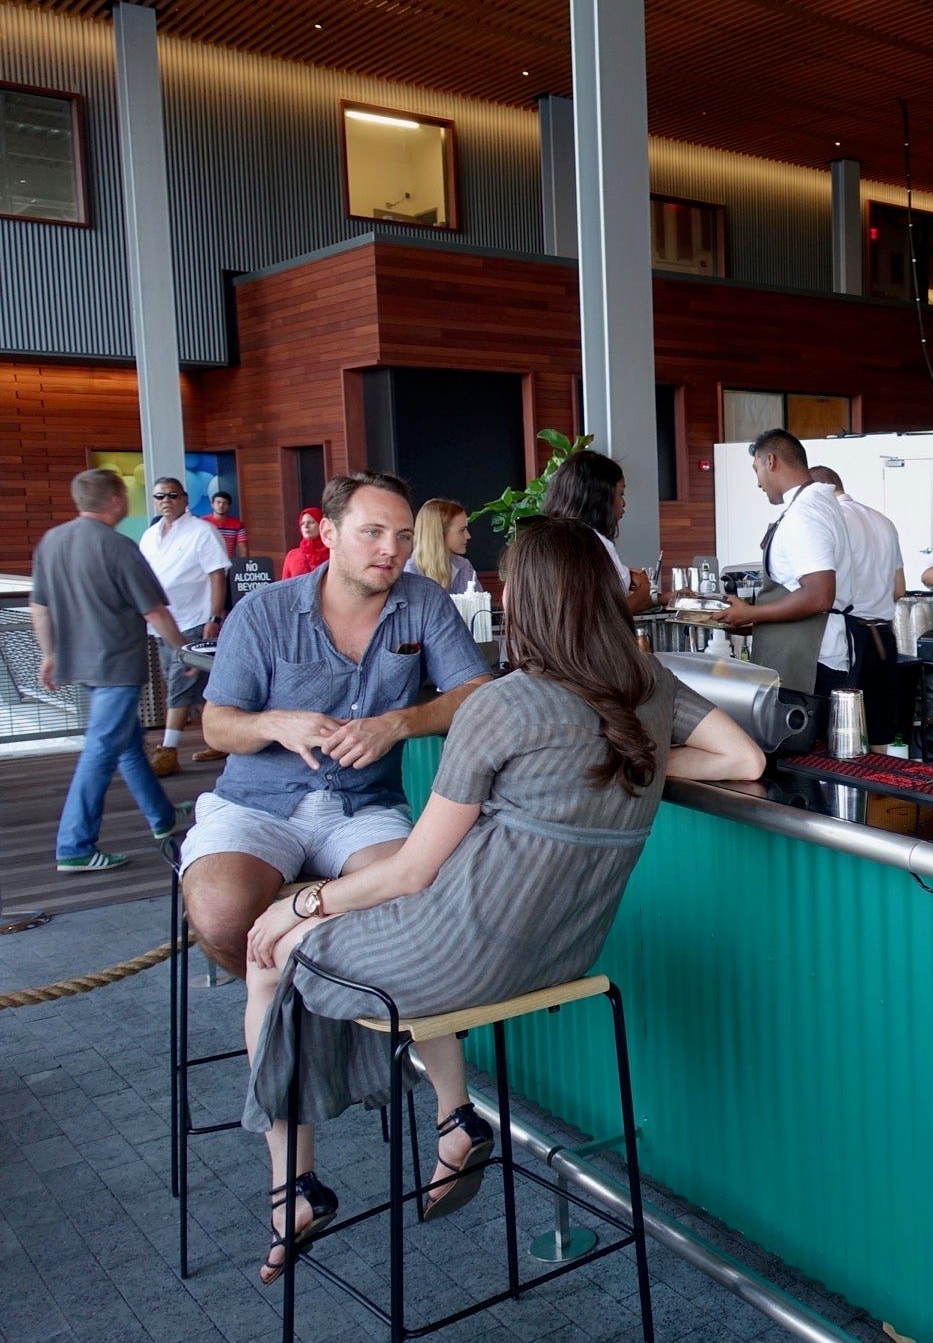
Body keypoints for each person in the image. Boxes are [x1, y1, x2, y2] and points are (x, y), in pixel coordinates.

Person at [237, 516, 764, 1283]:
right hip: (563, 957)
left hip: (461, 949)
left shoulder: (504, 705)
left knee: (269, 954)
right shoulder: (646, 684)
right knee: (333, 937)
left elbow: (411, 873)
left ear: (526, 597)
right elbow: (744, 757)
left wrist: (302, 905)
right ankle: (453, 1120)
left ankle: (294, 1187)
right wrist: (630, 758)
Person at [183, 472, 493, 976]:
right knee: (222, 916)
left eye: (403, 535)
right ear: (328, 533)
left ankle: (317, 1000)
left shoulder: (423, 601)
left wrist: (396, 724)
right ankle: (297, 1001)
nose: (391, 549)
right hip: (257, 803)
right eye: (372, 532)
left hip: (363, 807)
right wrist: (275, 724)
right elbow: (217, 726)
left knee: (421, 908)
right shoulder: (263, 611)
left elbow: (477, 691)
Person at [29, 468, 189, 871]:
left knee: (127, 743)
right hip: (117, 664)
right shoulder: (118, 546)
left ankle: (162, 817)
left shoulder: (52, 541)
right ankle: (75, 846)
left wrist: (49, 654)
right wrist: (183, 651)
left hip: (78, 663)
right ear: (116, 500)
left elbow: (38, 608)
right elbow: (154, 611)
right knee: (100, 750)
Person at [717, 430, 850, 698]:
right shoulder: (817, 503)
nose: (758, 483)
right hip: (809, 652)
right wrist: (753, 617)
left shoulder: (805, 513)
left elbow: (819, 595)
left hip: (809, 660)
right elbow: (795, 588)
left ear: (770, 461)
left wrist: (751, 613)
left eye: (756, 470)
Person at [139, 476, 231, 776]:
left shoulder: (202, 531)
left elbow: (217, 575)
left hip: (194, 621)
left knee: (180, 685)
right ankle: (223, 739)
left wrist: (213, 618)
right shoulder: (150, 535)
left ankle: (168, 750)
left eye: (172, 495)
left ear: (185, 499)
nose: (166, 501)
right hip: (162, 623)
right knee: (197, 687)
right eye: (159, 496)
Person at [811, 465, 906, 743]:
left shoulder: (833, 520)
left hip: (848, 638)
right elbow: (899, 589)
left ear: (818, 491)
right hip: (884, 636)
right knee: (880, 732)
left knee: (843, 735)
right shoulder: (884, 521)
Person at [540, 450, 656, 612]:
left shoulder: (538, 540)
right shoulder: (593, 543)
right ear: (600, 498)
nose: (624, 503)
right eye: (621, 494)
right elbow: (605, 615)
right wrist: (644, 589)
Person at [402, 498, 478, 593]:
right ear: (439, 533)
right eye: (462, 530)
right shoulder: (409, 573)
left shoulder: (464, 567)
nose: (468, 536)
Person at [280, 507, 330, 579]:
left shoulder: (332, 554)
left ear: (321, 525)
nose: (306, 526)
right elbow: (285, 583)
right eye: (302, 523)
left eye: (311, 522)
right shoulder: (293, 555)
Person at [202, 490, 249, 557]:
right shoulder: (203, 522)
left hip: (229, 561)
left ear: (229, 506)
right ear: (212, 505)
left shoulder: (238, 524)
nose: (221, 505)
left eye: (225, 503)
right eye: (218, 502)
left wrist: (244, 562)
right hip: (208, 561)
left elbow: (243, 549)